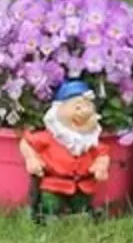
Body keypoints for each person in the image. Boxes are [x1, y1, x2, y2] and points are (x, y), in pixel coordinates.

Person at [18, 79, 111, 219]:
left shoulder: (89, 140)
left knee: (82, 206)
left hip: (83, 185)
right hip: (54, 184)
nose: (83, 113)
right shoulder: (51, 137)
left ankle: (80, 215)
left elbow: (102, 154)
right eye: (77, 107)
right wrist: (31, 159)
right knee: (51, 204)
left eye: (88, 107)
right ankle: (49, 215)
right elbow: (27, 142)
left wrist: (101, 166)